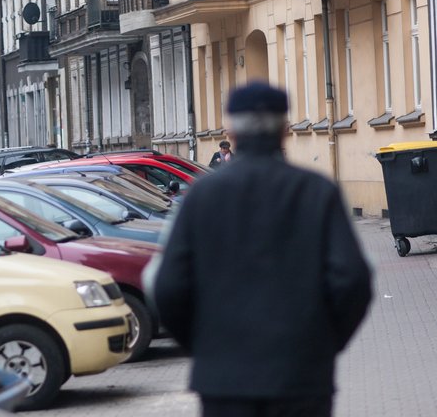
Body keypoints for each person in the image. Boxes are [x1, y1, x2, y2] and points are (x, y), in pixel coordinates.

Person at [147, 81, 373, 417]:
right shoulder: (316, 192)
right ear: (284, 131)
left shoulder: (202, 196)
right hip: (301, 377)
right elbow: (353, 280)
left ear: (232, 134)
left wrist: (203, 345)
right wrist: (323, 343)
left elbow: (168, 286)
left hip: (225, 381)